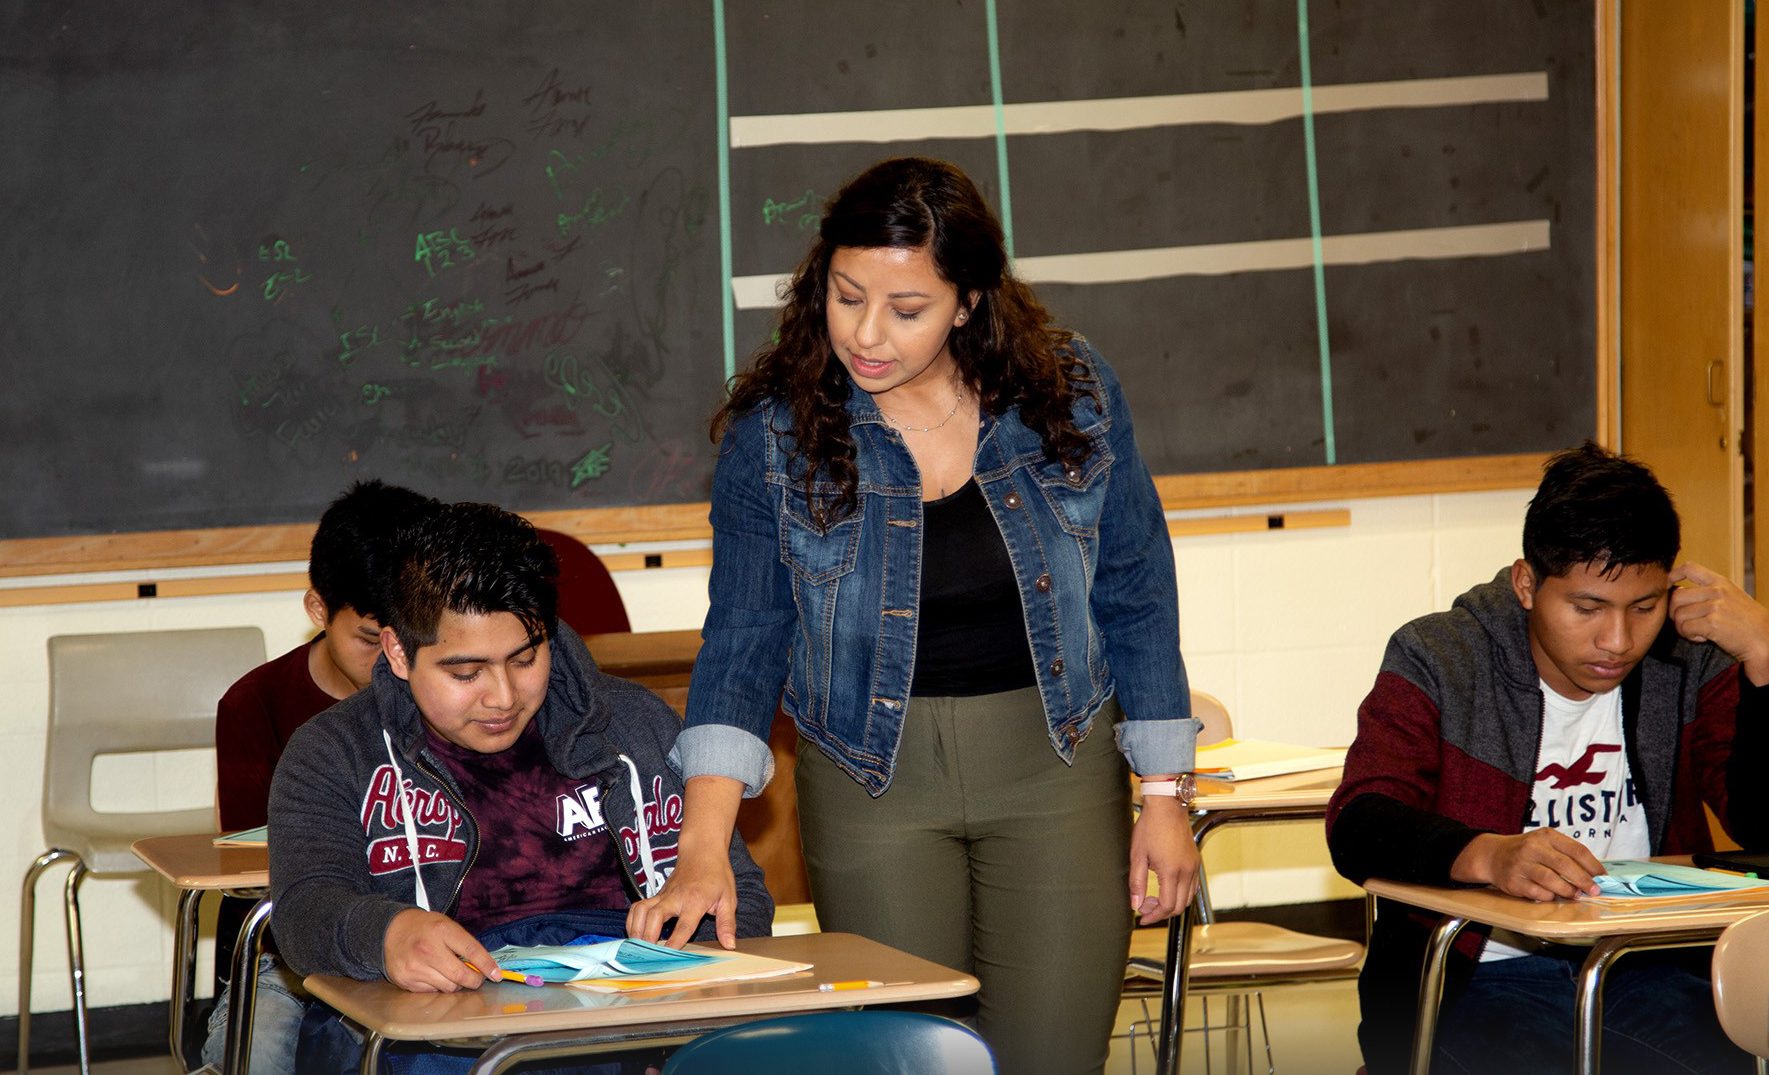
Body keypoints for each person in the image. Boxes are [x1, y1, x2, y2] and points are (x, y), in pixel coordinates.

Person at [626, 156, 1201, 1075]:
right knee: (904, 1058)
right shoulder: (776, 432)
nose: (866, 333)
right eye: (847, 296)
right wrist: (701, 848)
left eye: (906, 310)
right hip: (869, 779)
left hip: (1053, 765)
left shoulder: (1072, 392)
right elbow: (741, 640)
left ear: (969, 301)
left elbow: (1135, 588)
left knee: (1051, 1054)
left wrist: (1164, 797)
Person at [267, 502, 774, 1072]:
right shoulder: (334, 752)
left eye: (525, 658)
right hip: (448, 1036)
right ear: (399, 653)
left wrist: (679, 998)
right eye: (465, 674)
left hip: (632, 1031)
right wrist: (386, 934)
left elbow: (743, 900)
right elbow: (301, 912)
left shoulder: (635, 726)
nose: (503, 696)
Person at [1326, 442, 1769, 1075]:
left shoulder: (1689, 659)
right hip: (1476, 979)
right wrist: (1489, 854)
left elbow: (1759, 824)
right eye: (1587, 609)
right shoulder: (1441, 657)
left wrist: (1764, 660)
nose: (1617, 641)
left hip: (1643, 964)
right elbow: (1359, 822)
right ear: (1526, 583)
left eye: (1643, 608)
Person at [203, 478, 437, 1072]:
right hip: (291, 958)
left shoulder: (457, 696)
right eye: (368, 638)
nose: (394, 659)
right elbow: (259, 874)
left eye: (411, 637)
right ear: (317, 609)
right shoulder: (255, 705)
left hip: (439, 937)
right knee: (257, 1056)